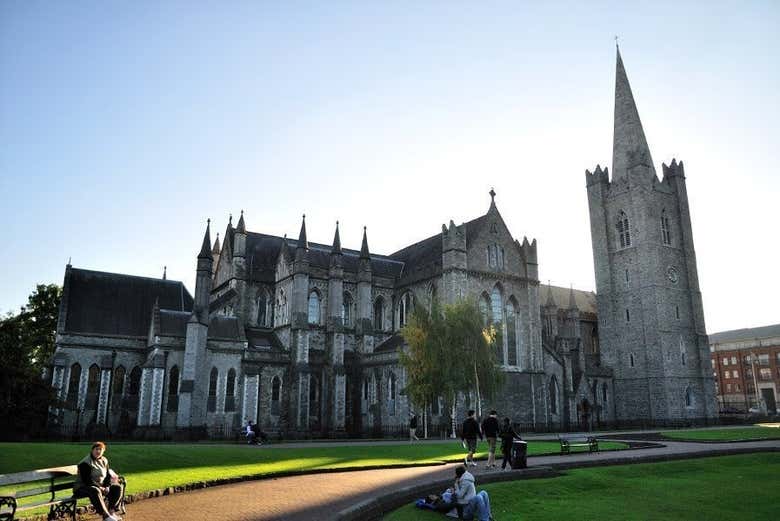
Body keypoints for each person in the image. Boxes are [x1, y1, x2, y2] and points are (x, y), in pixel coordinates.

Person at [73, 441, 123, 521]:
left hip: (99, 486)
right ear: (92, 450)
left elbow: (107, 475)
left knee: (117, 487)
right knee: (95, 490)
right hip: (82, 487)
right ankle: (106, 516)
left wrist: (107, 486)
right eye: (96, 449)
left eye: (101, 449)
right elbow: (87, 481)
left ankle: (111, 512)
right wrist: (100, 488)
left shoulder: (104, 460)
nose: (98, 451)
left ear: (103, 451)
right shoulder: (85, 463)